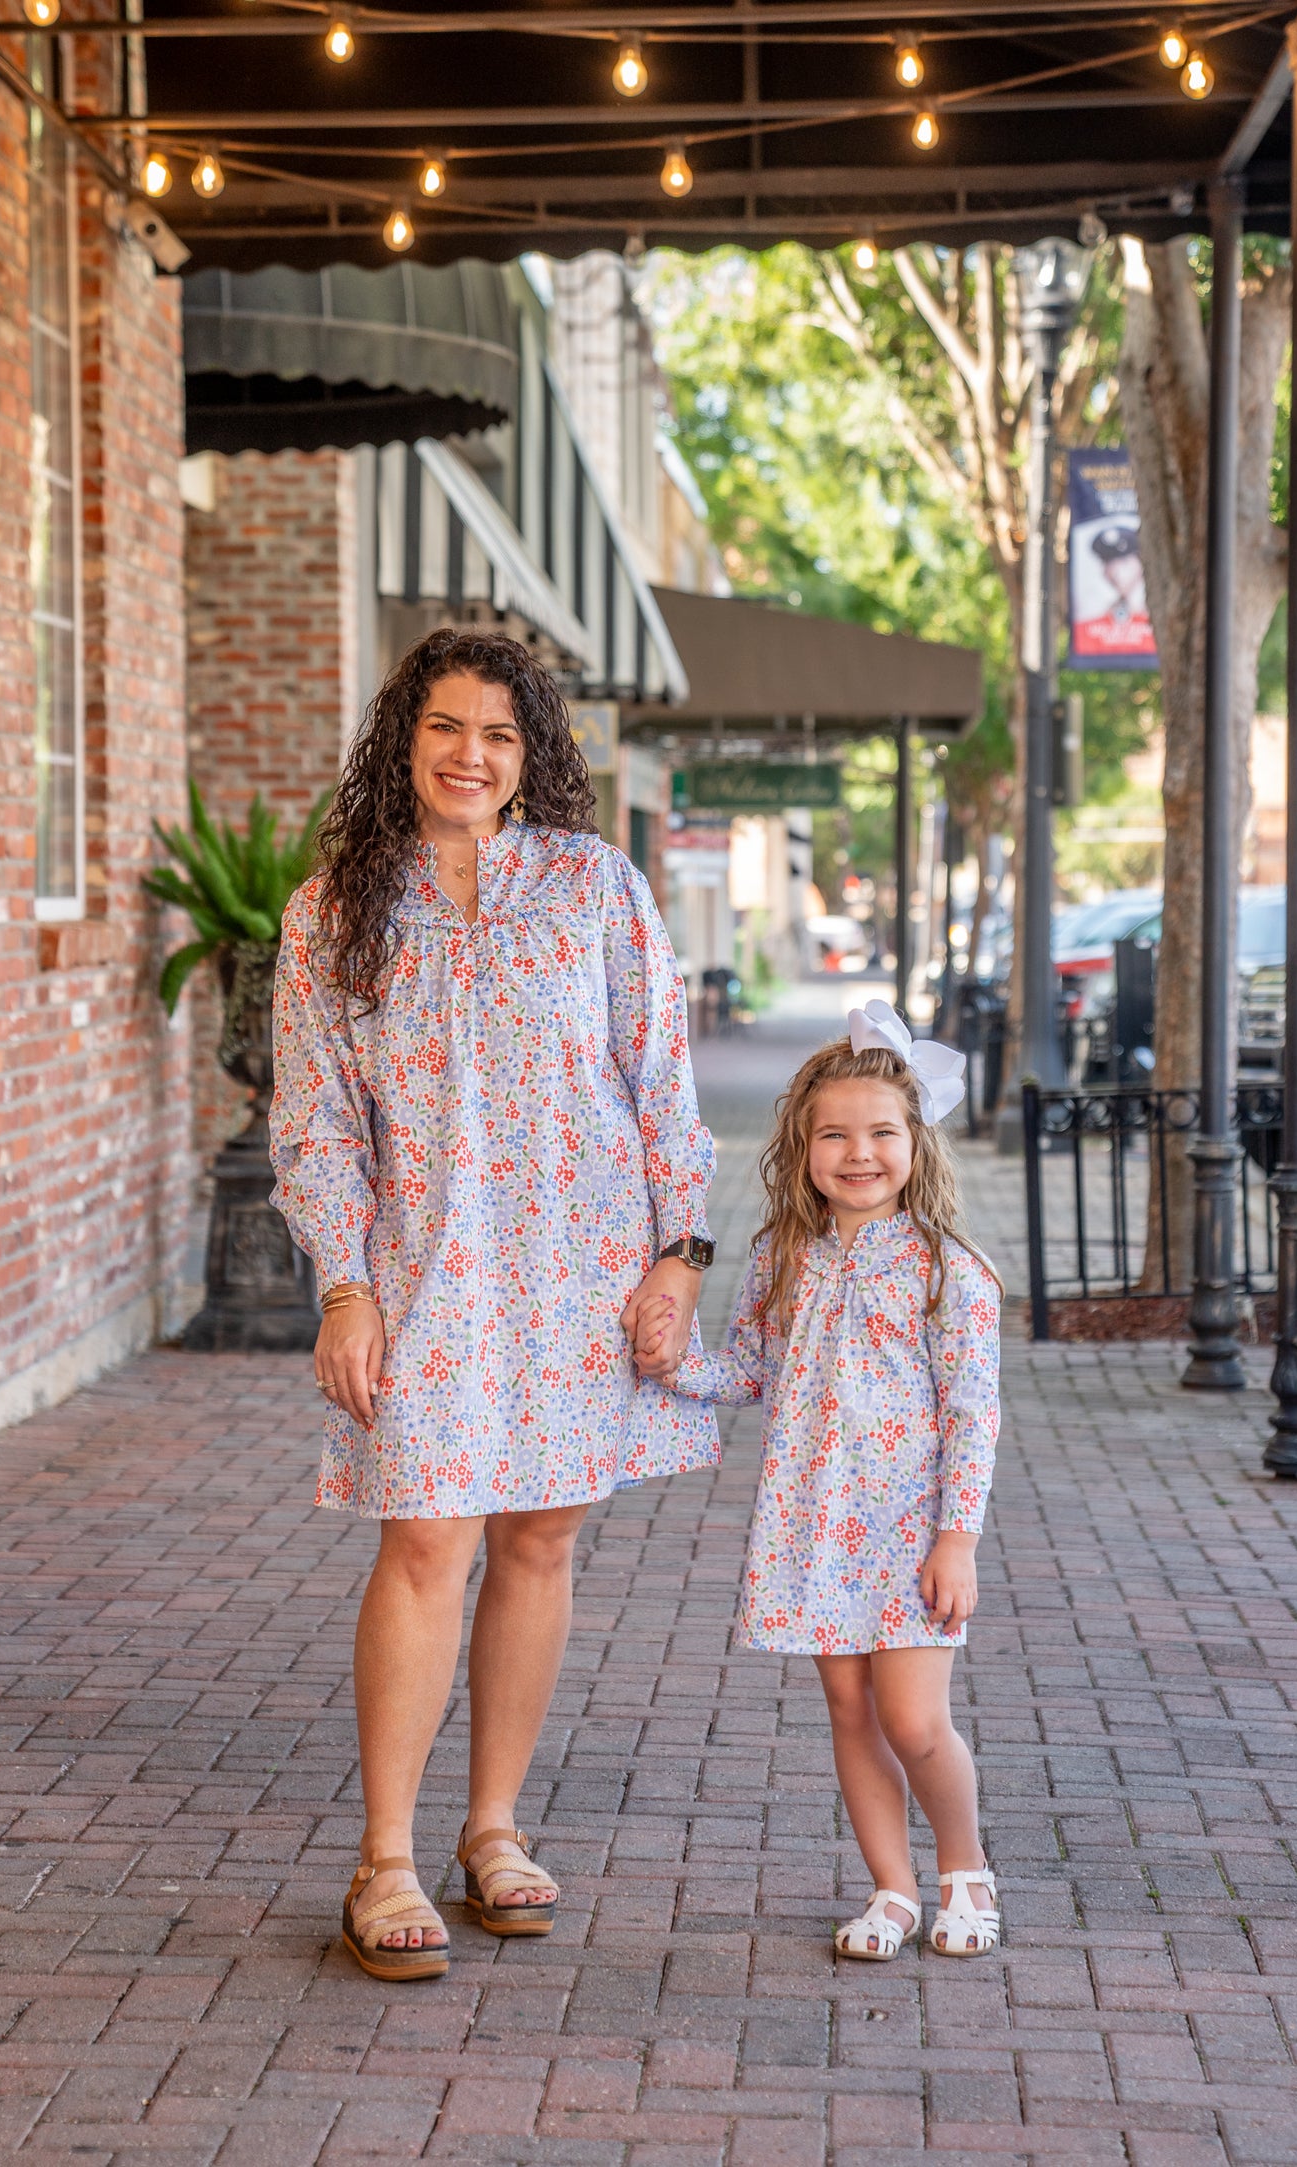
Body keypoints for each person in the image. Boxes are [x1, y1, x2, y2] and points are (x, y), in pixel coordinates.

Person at [269, 628, 719, 1983]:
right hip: (422, 1280)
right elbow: (315, 1125)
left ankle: (493, 1829)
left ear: (535, 754)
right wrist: (344, 1287)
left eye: (501, 734)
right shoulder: (332, 910)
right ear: (404, 741)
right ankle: (386, 1857)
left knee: (538, 1539)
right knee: (425, 1543)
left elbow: (660, 1082)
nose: (473, 754)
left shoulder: (597, 886)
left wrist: (678, 1256)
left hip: (581, 1272)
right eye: (448, 728)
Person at [643, 1001, 1001, 1962]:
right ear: (801, 1148)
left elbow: (974, 1415)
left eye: (881, 1132)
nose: (857, 1153)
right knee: (850, 1711)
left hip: (910, 1530)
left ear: (915, 1143)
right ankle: (890, 1887)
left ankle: (963, 1867)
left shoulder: (947, 1274)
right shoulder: (780, 1257)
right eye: (832, 1134)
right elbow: (750, 1372)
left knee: (915, 1718)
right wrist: (675, 1361)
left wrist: (955, 1535)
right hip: (813, 1522)